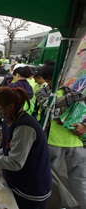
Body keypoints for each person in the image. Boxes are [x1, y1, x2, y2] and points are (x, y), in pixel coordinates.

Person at [0, 86, 52, 209]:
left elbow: (15, 163)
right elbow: (9, 148)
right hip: (15, 182)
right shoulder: (8, 119)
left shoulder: (24, 127)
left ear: (10, 106)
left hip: (31, 188)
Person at [36, 63, 86, 208]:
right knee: (50, 179)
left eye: (52, 79)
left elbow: (56, 111)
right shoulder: (43, 92)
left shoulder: (77, 87)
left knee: (80, 180)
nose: (49, 83)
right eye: (48, 80)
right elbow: (50, 107)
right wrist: (78, 95)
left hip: (78, 142)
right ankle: (54, 205)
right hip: (53, 143)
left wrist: (84, 125)